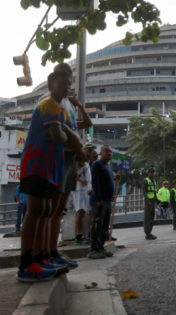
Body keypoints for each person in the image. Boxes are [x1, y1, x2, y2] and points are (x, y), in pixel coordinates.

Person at [17, 71, 75, 282]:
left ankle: (40, 258)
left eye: (69, 84)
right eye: (63, 83)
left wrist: (69, 134)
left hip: (50, 167)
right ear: (51, 84)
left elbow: (65, 136)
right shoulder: (48, 105)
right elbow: (58, 135)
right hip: (37, 164)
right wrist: (71, 134)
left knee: (46, 210)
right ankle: (26, 264)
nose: (67, 87)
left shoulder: (59, 109)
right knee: (36, 210)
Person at [42, 63, 92, 269]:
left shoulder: (69, 103)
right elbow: (58, 132)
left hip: (71, 157)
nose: (68, 80)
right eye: (63, 76)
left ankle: (53, 251)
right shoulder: (49, 102)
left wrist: (79, 105)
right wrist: (79, 148)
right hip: (58, 157)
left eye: (70, 75)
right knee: (50, 209)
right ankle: (44, 253)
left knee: (59, 209)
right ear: (53, 80)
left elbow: (82, 125)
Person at [88, 145, 118, 259]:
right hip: (99, 201)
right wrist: (99, 199)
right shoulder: (97, 164)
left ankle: (101, 247)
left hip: (107, 200)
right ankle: (93, 250)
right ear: (101, 153)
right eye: (107, 151)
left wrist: (115, 178)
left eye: (111, 152)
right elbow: (95, 182)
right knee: (96, 226)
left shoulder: (108, 166)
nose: (110, 153)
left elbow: (105, 180)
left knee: (104, 226)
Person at [74, 159, 92, 245]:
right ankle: (79, 236)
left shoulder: (87, 164)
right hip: (78, 190)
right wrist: (80, 181)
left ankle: (89, 235)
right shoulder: (75, 163)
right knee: (80, 212)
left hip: (87, 189)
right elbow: (72, 174)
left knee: (86, 211)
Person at [142, 167, 158, 239]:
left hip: (153, 201)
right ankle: (147, 233)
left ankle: (150, 232)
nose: (152, 173)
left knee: (152, 217)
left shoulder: (154, 181)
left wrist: (157, 199)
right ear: (148, 173)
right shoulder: (146, 180)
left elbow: (154, 191)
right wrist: (147, 200)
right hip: (148, 202)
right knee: (147, 218)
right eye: (151, 172)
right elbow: (144, 192)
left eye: (153, 172)